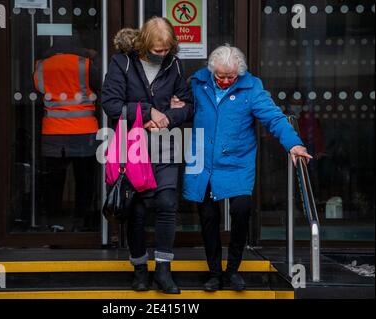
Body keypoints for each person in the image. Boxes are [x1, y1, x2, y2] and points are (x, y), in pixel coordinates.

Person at [182, 44, 312, 291]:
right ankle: (214, 273)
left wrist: (293, 144)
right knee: (208, 217)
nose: (225, 81)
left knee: (241, 211)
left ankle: (232, 270)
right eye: (220, 76)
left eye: (230, 77)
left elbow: (274, 118)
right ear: (212, 71)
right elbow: (184, 106)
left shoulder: (251, 88)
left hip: (237, 162)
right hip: (204, 162)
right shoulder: (198, 84)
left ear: (239, 73)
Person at [101, 18, 193, 294]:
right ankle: (140, 270)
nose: (162, 55)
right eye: (157, 50)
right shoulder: (123, 63)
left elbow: (188, 105)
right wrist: (146, 112)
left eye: (166, 50)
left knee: (167, 203)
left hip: (165, 144)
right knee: (136, 211)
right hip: (133, 147)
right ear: (144, 45)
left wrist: (169, 116)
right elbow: (110, 104)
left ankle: (163, 271)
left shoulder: (175, 65)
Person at [33, 33, 100, 231]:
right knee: (84, 179)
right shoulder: (86, 64)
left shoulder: (42, 65)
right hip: (84, 130)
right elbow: (99, 86)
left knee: (54, 179)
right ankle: (82, 220)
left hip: (53, 131)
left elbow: (36, 89)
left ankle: (55, 221)